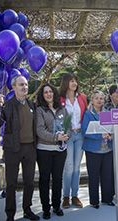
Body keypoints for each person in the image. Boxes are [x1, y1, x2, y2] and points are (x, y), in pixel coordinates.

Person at [0, 75, 40, 221]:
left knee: (29, 182)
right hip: (13, 149)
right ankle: (10, 214)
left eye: (25, 84)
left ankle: (27, 209)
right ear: (14, 88)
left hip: (30, 149)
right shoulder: (7, 105)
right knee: (11, 183)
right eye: (21, 85)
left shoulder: (32, 104)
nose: (24, 87)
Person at [36, 83, 71, 219]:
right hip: (44, 150)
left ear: (54, 93)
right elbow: (39, 130)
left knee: (58, 179)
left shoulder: (62, 110)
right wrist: (56, 137)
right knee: (44, 179)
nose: (49, 94)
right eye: (46, 92)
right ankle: (46, 208)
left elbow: (68, 127)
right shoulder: (40, 110)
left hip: (60, 150)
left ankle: (56, 206)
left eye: (51, 91)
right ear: (42, 95)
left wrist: (66, 136)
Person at [81, 90, 114, 209]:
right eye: (96, 98)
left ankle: (107, 199)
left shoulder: (107, 113)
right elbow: (85, 131)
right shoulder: (88, 114)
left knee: (107, 176)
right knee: (93, 176)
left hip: (107, 150)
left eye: (101, 98)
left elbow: (112, 128)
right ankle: (94, 201)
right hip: (93, 150)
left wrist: (111, 135)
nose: (99, 100)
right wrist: (100, 135)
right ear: (92, 100)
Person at [59, 73, 87, 208]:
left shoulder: (82, 98)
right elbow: (57, 118)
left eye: (75, 81)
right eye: (71, 81)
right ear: (65, 83)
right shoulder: (60, 99)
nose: (74, 83)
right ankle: (65, 196)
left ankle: (75, 195)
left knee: (77, 167)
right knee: (68, 167)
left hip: (80, 135)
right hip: (68, 137)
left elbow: (85, 114)